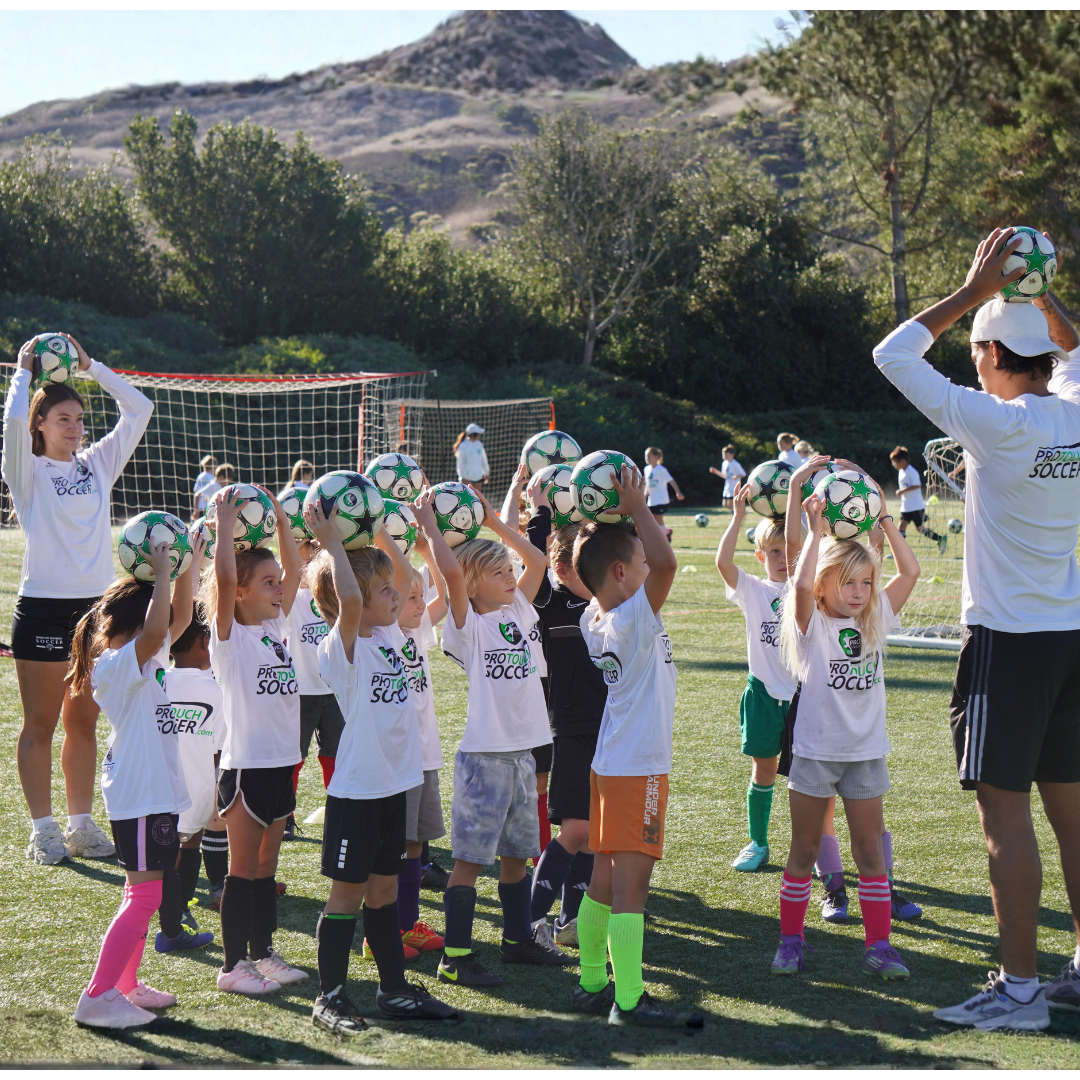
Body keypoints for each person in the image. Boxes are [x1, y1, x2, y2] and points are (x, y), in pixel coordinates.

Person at [873, 227, 1080, 1031]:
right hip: (1070, 636)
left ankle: (1021, 991)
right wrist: (1037, 293)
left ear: (991, 352)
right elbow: (1075, 350)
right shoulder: (1073, 410)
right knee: (1072, 814)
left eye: (977, 352)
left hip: (1008, 642)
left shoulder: (998, 423)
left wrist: (973, 290)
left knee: (1005, 817)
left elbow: (893, 354)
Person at [303, 500, 457, 1032]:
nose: (399, 596)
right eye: (385, 592)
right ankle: (329, 997)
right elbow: (349, 597)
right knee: (346, 896)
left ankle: (393, 992)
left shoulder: (391, 634)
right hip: (358, 794)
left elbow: (407, 577)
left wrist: (382, 535)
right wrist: (332, 546)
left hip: (395, 787)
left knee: (385, 892)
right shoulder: (340, 648)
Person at [2, 333, 154, 866]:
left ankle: (81, 826)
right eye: (62, 419)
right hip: (43, 609)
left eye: (79, 419)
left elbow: (139, 408)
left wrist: (92, 367)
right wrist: (23, 374)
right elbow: (10, 428)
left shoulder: (97, 464)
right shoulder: (26, 470)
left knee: (83, 722)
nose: (74, 427)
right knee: (40, 725)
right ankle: (43, 831)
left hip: (95, 611)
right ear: (40, 425)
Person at [415, 483, 566, 987]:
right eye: (497, 572)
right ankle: (455, 957)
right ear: (472, 584)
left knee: (516, 857)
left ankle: (517, 941)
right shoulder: (467, 626)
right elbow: (451, 576)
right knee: (469, 863)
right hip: (485, 759)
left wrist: (494, 524)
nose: (509, 576)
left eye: (507, 570)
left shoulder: (519, 608)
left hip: (523, 755)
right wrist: (431, 530)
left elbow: (537, 562)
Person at [772, 478, 920, 981]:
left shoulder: (875, 617)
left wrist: (885, 520)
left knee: (870, 853)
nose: (858, 593)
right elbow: (798, 587)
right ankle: (790, 942)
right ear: (824, 585)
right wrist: (815, 531)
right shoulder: (812, 624)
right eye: (847, 583)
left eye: (865, 583)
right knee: (804, 851)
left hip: (865, 754)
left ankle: (880, 947)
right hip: (815, 754)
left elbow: (911, 571)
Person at [572, 466, 703, 1030]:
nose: (653, 569)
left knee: (602, 882)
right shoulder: (629, 620)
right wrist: (636, 506)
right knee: (632, 891)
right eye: (640, 564)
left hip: (611, 765)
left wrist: (602, 521)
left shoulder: (594, 616)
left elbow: (602, 570)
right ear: (623, 573)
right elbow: (667, 564)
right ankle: (627, 1001)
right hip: (637, 770)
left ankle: (591, 983)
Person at [68, 536, 195, 1028]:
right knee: (145, 898)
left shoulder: (144, 659)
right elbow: (162, 625)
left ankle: (125, 984)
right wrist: (162, 573)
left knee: (139, 893)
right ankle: (97, 996)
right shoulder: (119, 664)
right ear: (137, 624)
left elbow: (177, 620)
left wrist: (187, 563)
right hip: (140, 794)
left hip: (151, 793)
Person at [202, 484, 306, 996]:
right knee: (242, 869)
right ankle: (232, 967)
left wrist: (284, 523)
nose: (279, 589)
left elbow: (296, 573)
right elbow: (223, 579)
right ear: (241, 592)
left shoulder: (275, 628)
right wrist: (224, 528)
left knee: (267, 867)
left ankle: (262, 953)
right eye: (267, 583)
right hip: (246, 766)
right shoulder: (230, 638)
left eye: (277, 582)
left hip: (283, 764)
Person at [528, 520, 607, 946]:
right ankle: (528, 921)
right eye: (585, 566)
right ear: (560, 568)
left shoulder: (610, 604)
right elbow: (534, 562)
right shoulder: (551, 604)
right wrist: (540, 514)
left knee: (594, 835)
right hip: (571, 731)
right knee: (576, 830)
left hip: (610, 730)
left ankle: (569, 920)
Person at [714, 484, 798, 873]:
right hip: (763, 695)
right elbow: (723, 563)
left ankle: (815, 847)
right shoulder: (753, 589)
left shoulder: (808, 587)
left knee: (810, 779)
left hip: (804, 697)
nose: (783, 559)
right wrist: (737, 518)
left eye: (789, 551)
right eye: (774, 552)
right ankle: (758, 842)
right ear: (761, 555)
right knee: (763, 770)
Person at [392, 535, 451, 958]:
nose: (420, 603)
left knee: (415, 845)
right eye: (411, 597)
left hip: (425, 756)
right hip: (397, 760)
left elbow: (443, 598)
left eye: (419, 596)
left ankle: (408, 924)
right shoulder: (382, 634)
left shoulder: (416, 630)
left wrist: (427, 550)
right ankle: (385, 931)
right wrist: (390, 543)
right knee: (393, 847)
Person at [167, 608, 229, 932]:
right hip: (199, 789)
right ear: (207, 641)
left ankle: (163, 913)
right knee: (190, 843)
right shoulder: (215, 691)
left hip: (157, 789)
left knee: (161, 851)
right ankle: (180, 911)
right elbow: (219, 749)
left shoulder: (157, 682)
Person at [283, 532, 345, 841]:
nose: (315, 549)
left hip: (336, 690)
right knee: (293, 758)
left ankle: (340, 814)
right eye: (309, 543)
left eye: (319, 544)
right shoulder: (290, 595)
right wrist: (295, 548)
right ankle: (285, 816)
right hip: (300, 691)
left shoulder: (337, 592)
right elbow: (289, 570)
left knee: (338, 755)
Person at [889, 446, 946, 556]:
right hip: (906, 506)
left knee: (920, 528)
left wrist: (902, 491)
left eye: (895, 462)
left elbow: (917, 485)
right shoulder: (901, 472)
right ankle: (899, 552)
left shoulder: (911, 471)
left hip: (916, 506)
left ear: (903, 461)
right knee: (901, 526)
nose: (894, 465)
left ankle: (940, 538)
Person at [643, 447, 684, 541]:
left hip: (661, 499)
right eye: (646, 456)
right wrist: (645, 495)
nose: (647, 458)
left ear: (656, 457)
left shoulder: (661, 469)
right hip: (651, 500)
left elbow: (671, 481)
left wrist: (678, 492)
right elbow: (648, 484)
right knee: (653, 520)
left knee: (659, 519)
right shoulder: (646, 469)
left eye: (649, 456)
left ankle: (659, 539)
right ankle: (667, 532)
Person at [710, 446, 746, 511]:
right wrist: (715, 471)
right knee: (725, 504)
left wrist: (736, 476)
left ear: (732, 454)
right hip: (727, 487)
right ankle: (737, 512)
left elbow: (743, 474)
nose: (724, 455)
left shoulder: (735, 464)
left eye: (726, 454)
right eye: (723, 454)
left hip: (734, 487)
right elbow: (724, 475)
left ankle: (739, 513)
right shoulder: (724, 463)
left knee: (731, 504)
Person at [192, 455, 218, 520]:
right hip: (208, 506)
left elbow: (195, 490)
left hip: (198, 506)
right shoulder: (212, 478)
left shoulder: (200, 476)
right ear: (213, 467)